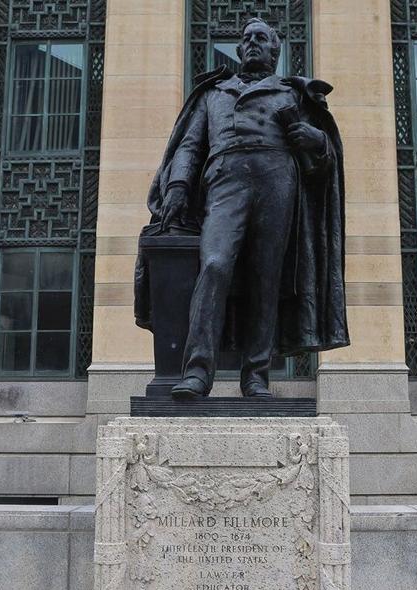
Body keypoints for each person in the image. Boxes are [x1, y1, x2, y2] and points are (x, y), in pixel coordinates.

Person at [134, 18, 349, 399]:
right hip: (225, 180)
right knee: (214, 264)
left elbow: (325, 165)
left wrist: (316, 141)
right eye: (247, 39)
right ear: (238, 50)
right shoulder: (213, 93)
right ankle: (197, 371)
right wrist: (179, 186)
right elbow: (188, 146)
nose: (252, 43)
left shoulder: (294, 94)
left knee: (265, 279)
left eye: (261, 38)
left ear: (274, 51)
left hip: (277, 181)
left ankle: (256, 375)